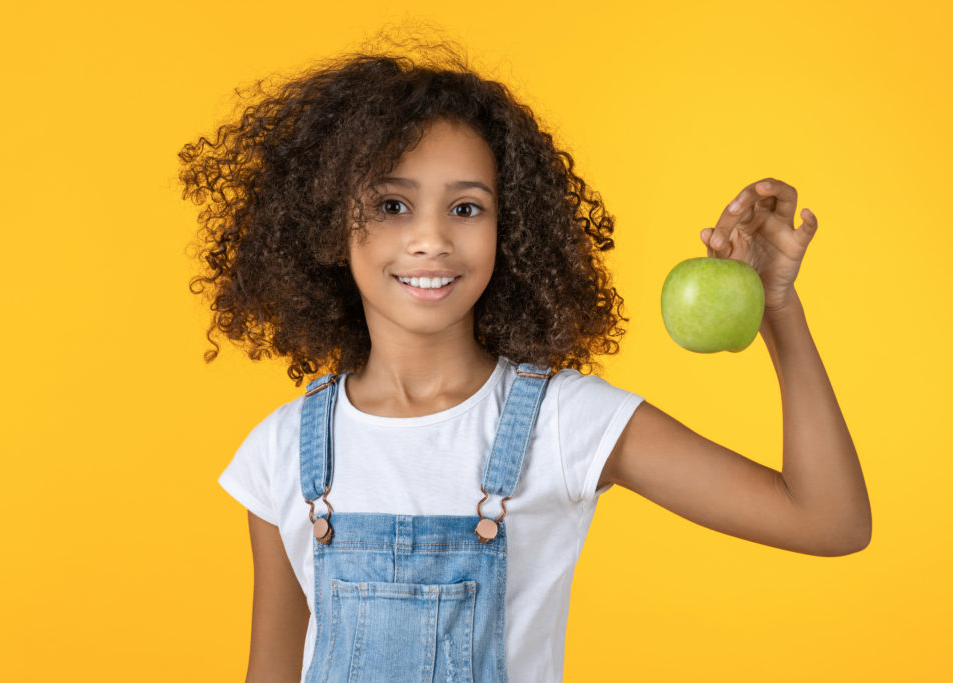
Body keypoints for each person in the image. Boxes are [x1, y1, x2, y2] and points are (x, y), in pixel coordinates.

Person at [178, 31, 871, 683]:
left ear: (511, 229)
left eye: (467, 208)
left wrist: (775, 306)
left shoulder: (565, 422)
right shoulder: (280, 451)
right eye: (392, 205)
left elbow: (828, 520)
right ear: (329, 222)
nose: (430, 240)